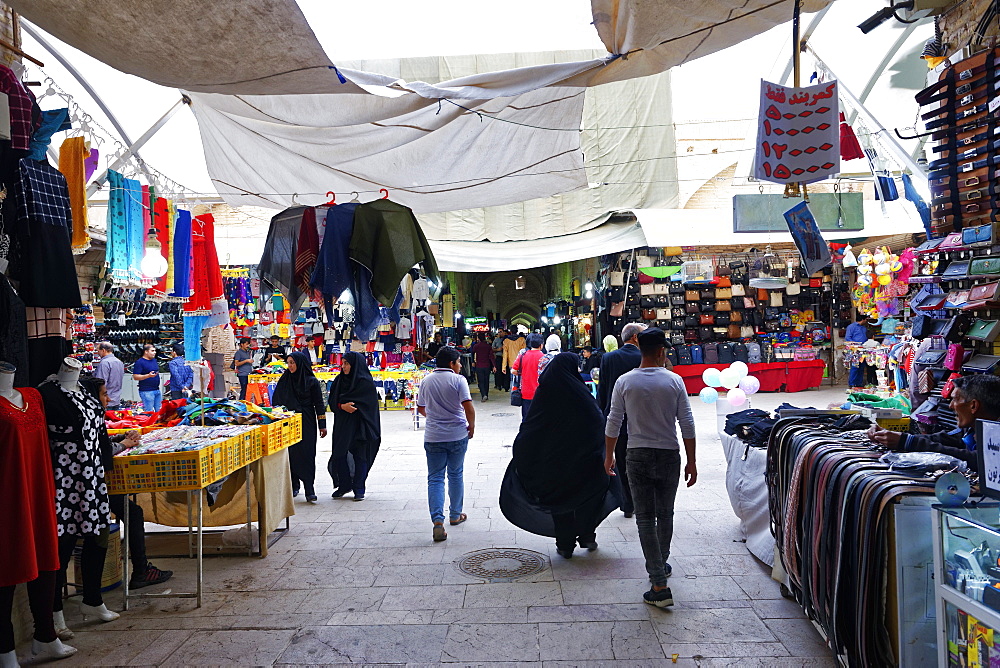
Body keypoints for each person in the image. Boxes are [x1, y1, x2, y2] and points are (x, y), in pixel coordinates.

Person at [604, 328, 696, 608]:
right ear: (659, 351)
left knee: (644, 518)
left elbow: (613, 421)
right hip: (669, 454)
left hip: (637, 454)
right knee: (665, 513)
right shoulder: (674, 381)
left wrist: (609, 456)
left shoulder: (625, 382)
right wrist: (692, 460)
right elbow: (687, 423)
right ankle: (661, 564)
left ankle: (658, 580)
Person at [500, 352, 621, 558]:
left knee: (560, 501)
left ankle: (565, 544)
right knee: (586, 497)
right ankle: (587, 535)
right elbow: (598, 423)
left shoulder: (545, 394)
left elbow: (530, 429)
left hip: (554, 466)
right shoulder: (582, 396)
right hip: (585, 464)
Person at [81, 377, 173, 591]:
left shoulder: (92, 416)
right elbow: (100, 452)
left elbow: (100, 443)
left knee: (132, 512)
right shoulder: (87, 417)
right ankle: (140, 571)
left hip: (92, 484)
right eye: (104, 394)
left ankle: (140, 570)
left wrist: (123, 436)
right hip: (88, 488)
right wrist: (123, 443)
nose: (108, 398)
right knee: (130, 514)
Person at [869, 374, 1000, 471]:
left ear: (973, 406)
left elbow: (976, 459)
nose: (951, 406)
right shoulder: (972, 429)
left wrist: (907, 442)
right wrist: (900, 438)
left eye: (955, 400)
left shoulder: (996, 434)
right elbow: (948, 439)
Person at [417, 346, 475, 542]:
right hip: (457, 434)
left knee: (435, 478)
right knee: (455, 474)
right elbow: (469, 407)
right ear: (451, 363)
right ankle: (455, 514)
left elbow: (421, 408)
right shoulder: (458, 380)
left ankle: (437, 522)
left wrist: (435, 418)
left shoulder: (426, 380)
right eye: (458, 362)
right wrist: (471, 427)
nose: (460, 366)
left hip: (433, 436)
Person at [596, 322, 646, 518]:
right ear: (634, 337)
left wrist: (601, 416)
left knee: (622, 464)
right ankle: (642, 502)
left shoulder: (609, 358)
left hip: (616, 420)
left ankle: (627, 504)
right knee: (641, 461)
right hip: (643, 419)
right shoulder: (645, 357)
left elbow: (603, 391)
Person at [271, 351, 327, 502]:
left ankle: (309, 488)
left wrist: (322, 424)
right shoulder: (285, 380)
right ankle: (294, 485)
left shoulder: (311, 381)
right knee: (291, 453)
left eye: (292, 363)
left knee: (307, 453)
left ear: (300, 363)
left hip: (307, 420)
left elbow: (319, 403)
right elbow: (276, 401)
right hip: (289, 421)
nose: (290, 366)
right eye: (288, 363)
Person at [327, 351, 381, 501]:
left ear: (354, 365)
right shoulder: (339, 381)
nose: (343, 367)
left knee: (360, 456)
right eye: (342, 363)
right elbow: (332, 402)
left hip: (360, 425)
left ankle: (359, 488)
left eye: (346, 363)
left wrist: (356, 407)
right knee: (339, 454)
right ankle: (344, 485)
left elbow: (370, 405)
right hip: (343, 425)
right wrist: (341, 406)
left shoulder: (365, 382)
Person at [512, 333, 545, 420]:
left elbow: (513, 371)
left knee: (526, 418)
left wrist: (523, 373)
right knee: (538, 418)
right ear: (541, 345)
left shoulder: (523, 356)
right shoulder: (544, 358)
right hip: (539, 393)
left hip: (525, 392)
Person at [93, 342, 124, 409]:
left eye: (98, 351)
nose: (98, 353)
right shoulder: (119, 362)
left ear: (103, 350)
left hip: (106, 401)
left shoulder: (104, 363)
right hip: (116, 399)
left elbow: (101, 383)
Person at [132, 344, 162, 413]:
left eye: (155, 351)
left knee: (159, 412)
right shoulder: (140, 362)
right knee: (149, 412)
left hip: (157, 389)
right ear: (146, 351)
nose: (154, 352)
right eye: (152, 351)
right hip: (146, 391)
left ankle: (157, 423)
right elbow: (135, 376)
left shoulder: (154, 360)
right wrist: (148, 376)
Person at [846, 315, 872, 389]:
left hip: (863, 349)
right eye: (865, 320)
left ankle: (859, 383)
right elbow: (848, 337)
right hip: (855, 350)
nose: (866, 321)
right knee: (855, 366)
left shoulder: (864, 328)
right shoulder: (851, 327)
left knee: (861, 367)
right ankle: (852, 383)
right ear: (863, 320)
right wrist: (855, 345)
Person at [470, 333, 496, 402]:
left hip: (479, 366)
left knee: (481, 381)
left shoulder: (476, 346)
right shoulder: (488, 346)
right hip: (487, 366)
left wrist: (473, 362)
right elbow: (491, 357)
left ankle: (483, 394)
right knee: (486, 381)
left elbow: (472, 353)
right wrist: (494, 366)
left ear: (478, 338)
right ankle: (486, 395)